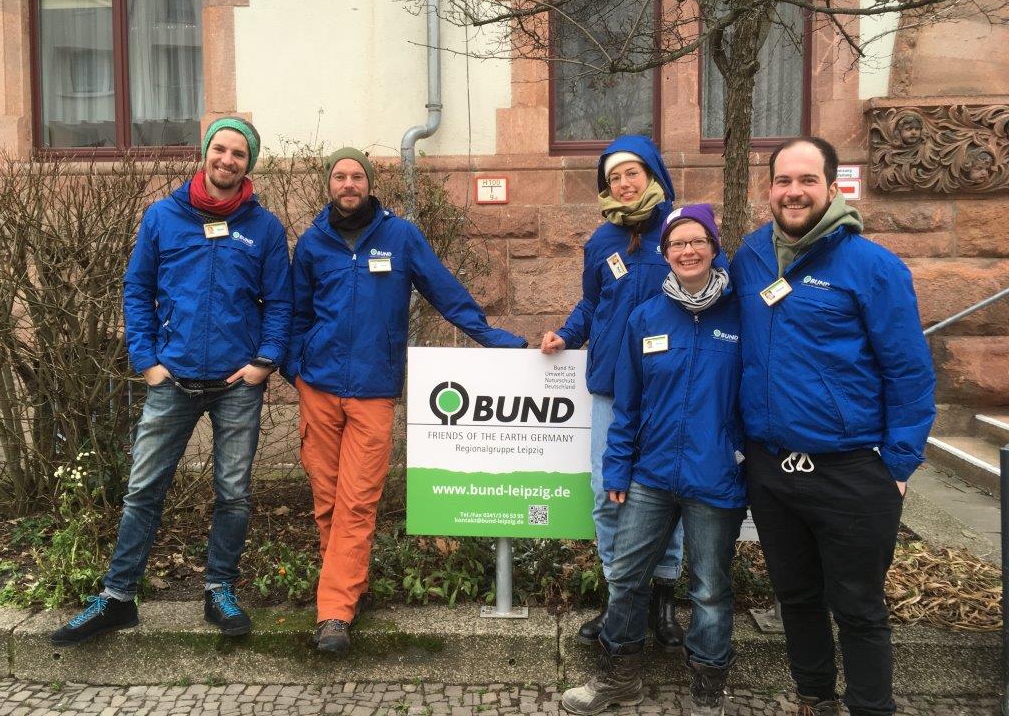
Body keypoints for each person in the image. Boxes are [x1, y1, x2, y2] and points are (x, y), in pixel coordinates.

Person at [51, 117, 292, 646]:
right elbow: (136, 289)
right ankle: (117, 599)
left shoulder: (265, 229)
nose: (227, 160)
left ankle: (219, 590)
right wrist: (146, 360)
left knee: (233, 494)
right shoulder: (162, 217)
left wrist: (264, 361)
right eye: (220, 149)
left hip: (236, 384)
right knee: (143, 490)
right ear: (205, 153)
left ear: (248, 164)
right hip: (172, 378)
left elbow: (279, 302)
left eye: (238, 154)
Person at [287, 147, 527, 656]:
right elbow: (298, 312)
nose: (348, 183)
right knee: (327, 502)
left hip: (374, 390)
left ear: (370, 185)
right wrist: (295, 366)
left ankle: (332, 612)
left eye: (356, 176)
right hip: (319, 386)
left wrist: (491, 338)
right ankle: (348, 593)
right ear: (329, 185)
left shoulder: (400, 237)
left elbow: (444, 291)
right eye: (339, 176)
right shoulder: (312, 243)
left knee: (357, 500)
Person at [731, 137, 936, 716]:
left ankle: (871, 707)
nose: (793, 192)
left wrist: (897, 464)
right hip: (772, 469)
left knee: (859, 608)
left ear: (833, 187)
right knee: (796, 597)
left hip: (851, 474)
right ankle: (813, 698)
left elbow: (910, 374)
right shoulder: (751, 258)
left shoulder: (872, 267)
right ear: (769, 189)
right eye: (782, 181)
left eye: (806, 181)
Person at [561, 205, 746, 716]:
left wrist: (748, 460)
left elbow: (754, 398)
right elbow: (629, 404)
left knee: (710, 589)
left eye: (697, 242)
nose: (687, 251)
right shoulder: (646, 318)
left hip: (716, 477)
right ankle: (619, 679)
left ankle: (708, 690)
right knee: (625, 575)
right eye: (677, 244)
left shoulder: (740, 314)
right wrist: (617, 466)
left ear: (713, 247)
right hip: (651, 474)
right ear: (665, 254)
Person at [541, 135, 685, 649]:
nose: (624, 183)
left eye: (633, 173)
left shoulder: (682, 231)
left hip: (669, 390)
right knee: (607, 493)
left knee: (667, 492)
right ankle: (623, 595)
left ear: (654, 174)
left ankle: (664, 597)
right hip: (609, 387)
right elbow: (591, 304)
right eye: (614, 177)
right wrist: (567, 333)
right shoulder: (601, 241)